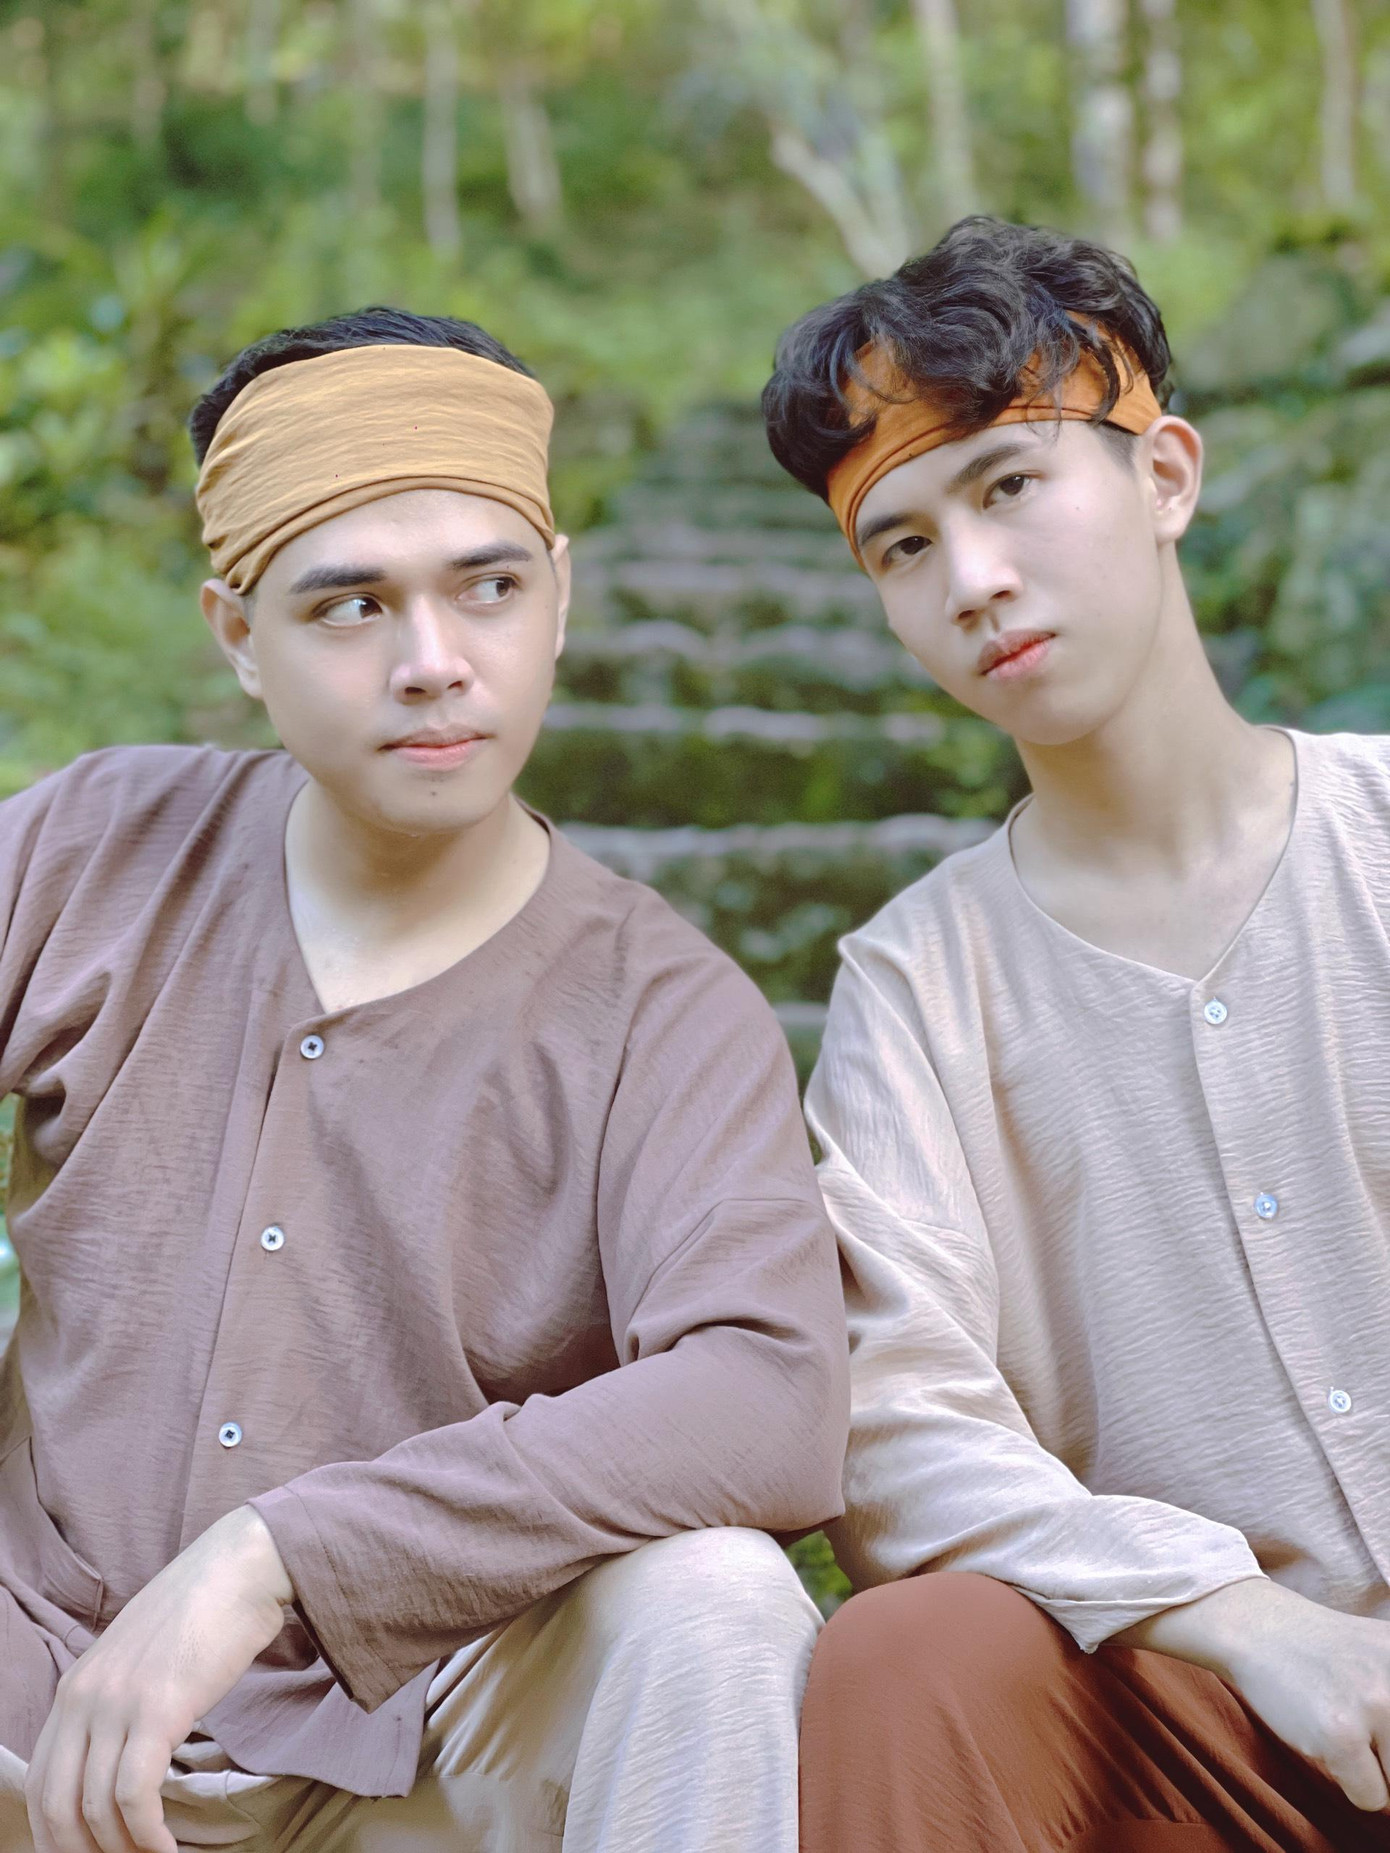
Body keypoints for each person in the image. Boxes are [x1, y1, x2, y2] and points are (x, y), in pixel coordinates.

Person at [0, 307, 849, 1853]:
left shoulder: (661, 1009)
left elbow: (770, 1392)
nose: (435, 663)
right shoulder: (88, 849)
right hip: (27, 1709)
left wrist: (280, 1552)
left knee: (717, 1603)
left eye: (488, 586)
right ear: (236, 635)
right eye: (351, 605)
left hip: (419, 1747)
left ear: (560, 596)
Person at [762, 216, 1390, 1851]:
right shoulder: (916, 987)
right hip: (1214, 1734)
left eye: (1009, 486)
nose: (970, 579)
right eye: (901, 545)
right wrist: (1240, 1616)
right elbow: (895, 1422)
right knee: (908, 1652)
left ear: (1163, 475)